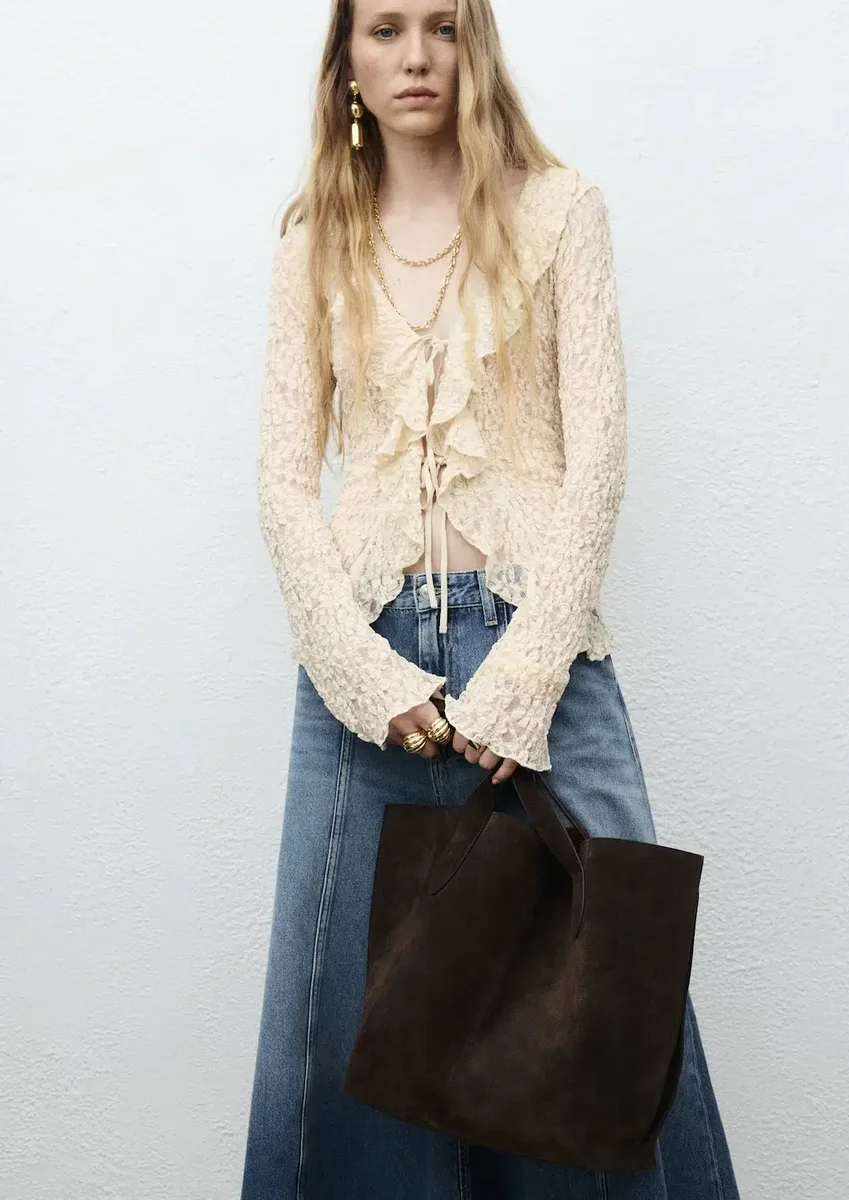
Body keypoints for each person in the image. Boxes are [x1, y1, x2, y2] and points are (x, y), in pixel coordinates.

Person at [241, 1, 741, 1197]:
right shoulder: (314, 238)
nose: (415, 56)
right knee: (347, 1030)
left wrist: (527, 674)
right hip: (368, 672)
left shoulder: (560, 210)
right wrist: (357, 669)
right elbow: (281, 477)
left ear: (477, 45)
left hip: (542, 653)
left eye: (442, 26)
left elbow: (598, 455)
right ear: (347, 60)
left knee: (607, 1020)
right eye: (384, 29)